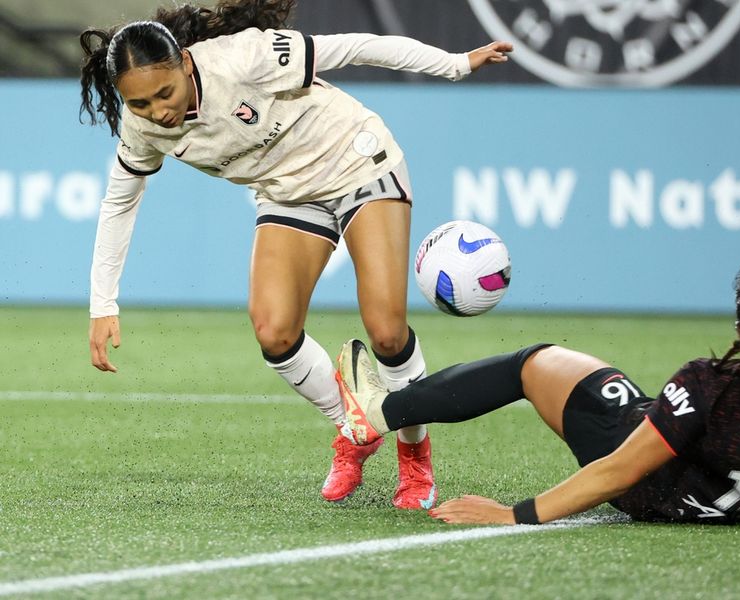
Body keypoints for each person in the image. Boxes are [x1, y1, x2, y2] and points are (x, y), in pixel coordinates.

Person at [78, 0, 513, 510]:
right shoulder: (144, 129)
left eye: (164, 93)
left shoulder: (244, 58)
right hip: (288, 194)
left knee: (388, 332)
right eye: (140, 104)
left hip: (356, 160)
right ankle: (356, 426)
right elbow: (119, 203)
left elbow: (357, 46)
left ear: (187, 64)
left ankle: (414, 456)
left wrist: (457, 64)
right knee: (273, 330)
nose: (158, 112)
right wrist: (102, 303)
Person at [336, 258, 740, 527]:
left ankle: (377, 412)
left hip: (645, 487)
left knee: (535, 364)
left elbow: (617, 472)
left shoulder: (708, 384)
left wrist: (513, 513)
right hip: (709, 506)